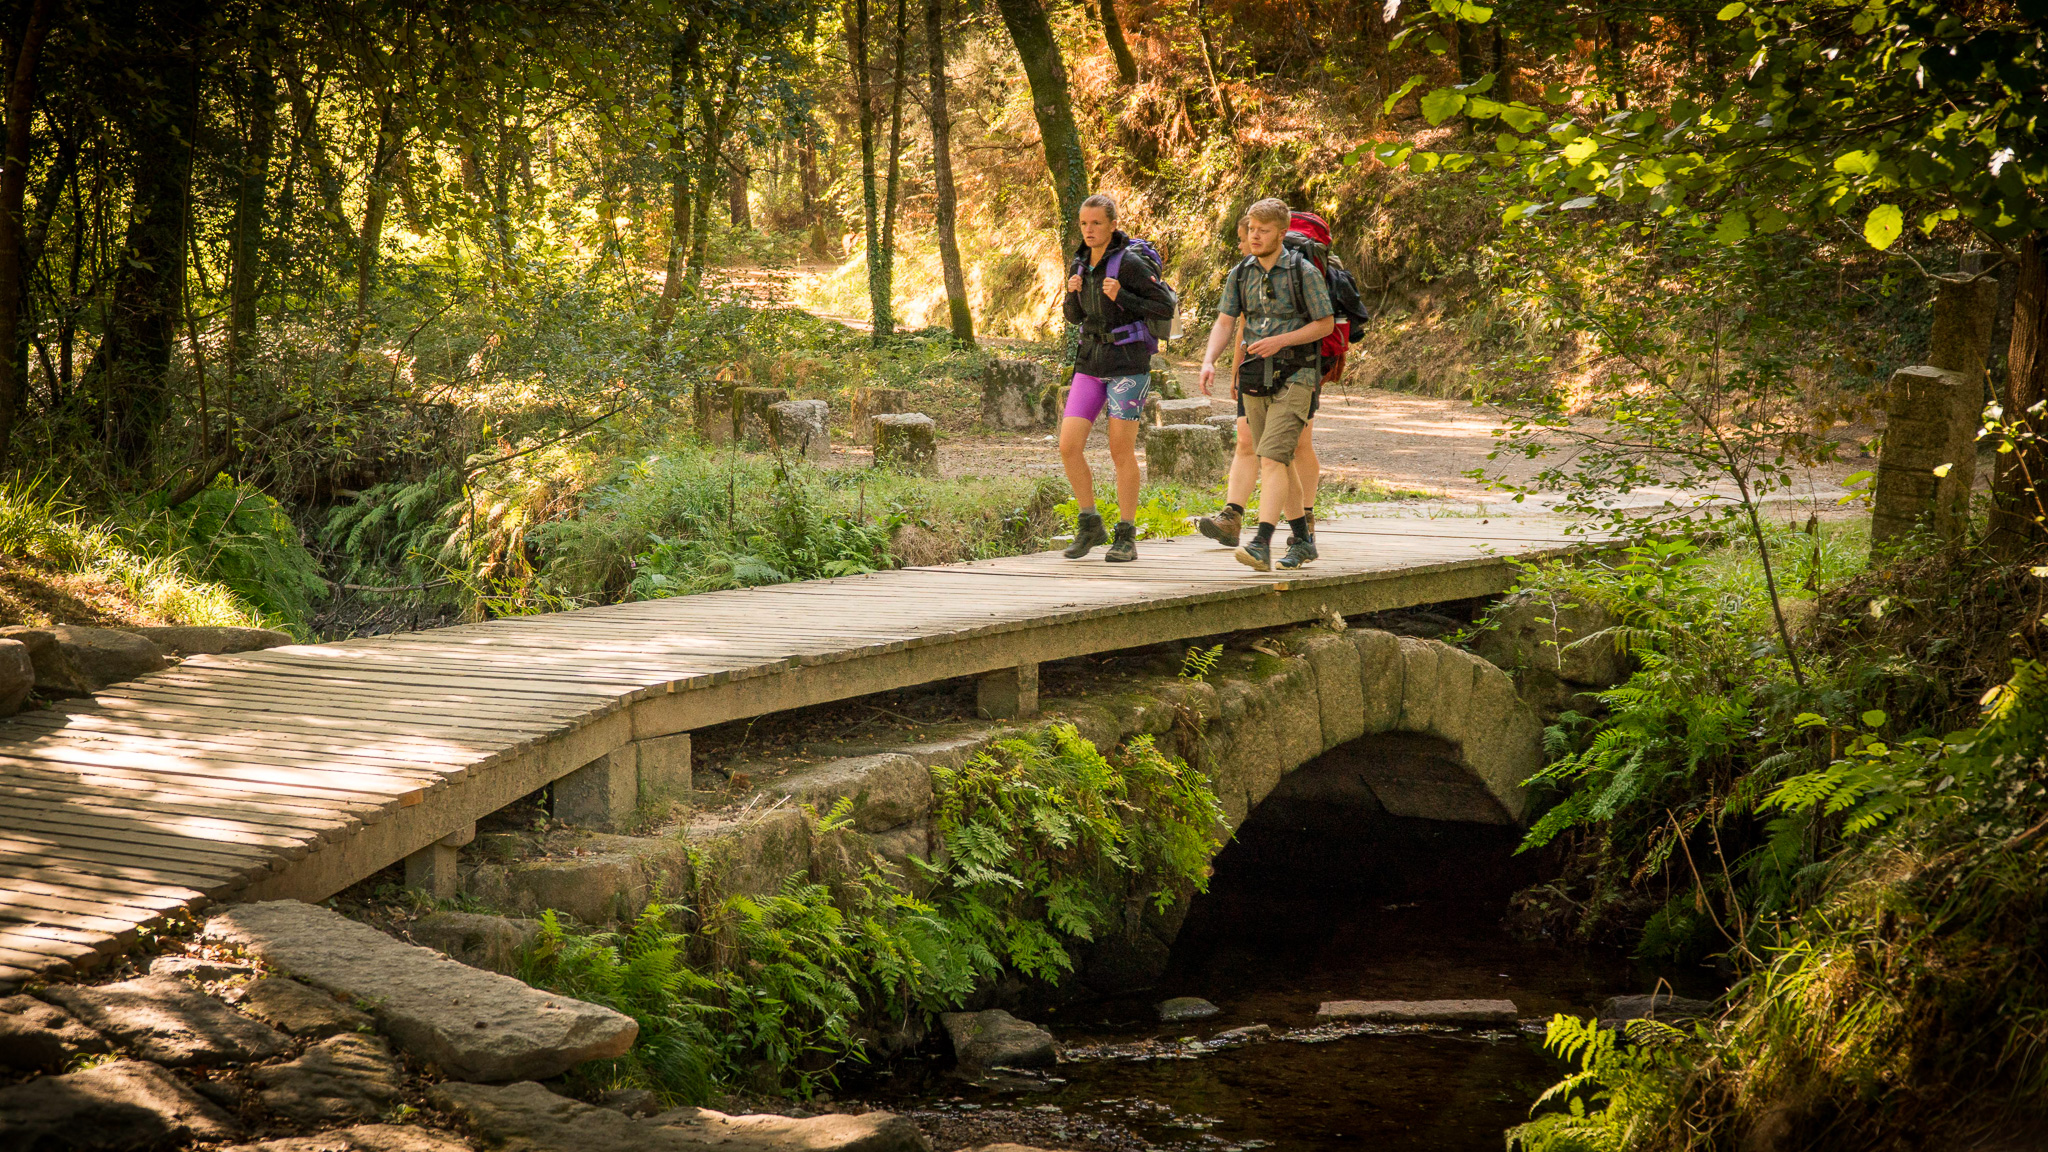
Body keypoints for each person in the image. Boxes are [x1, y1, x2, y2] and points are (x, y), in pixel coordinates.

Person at [1197, 198, 1333, 571]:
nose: (1255, 236)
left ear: (1282, 233)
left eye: (1264, 230)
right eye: (1252, 229)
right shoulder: (1240, 274)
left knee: (1273, 457)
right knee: (1277, 458)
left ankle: (1261, 542)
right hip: (1257, 376)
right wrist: (1210, 361)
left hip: (1297, 374)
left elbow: (1326, 324)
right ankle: (1303, 541)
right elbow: (1226, 321)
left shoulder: (1303, 272)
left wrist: (1281, 341)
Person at [1059, 193, 1173, 562]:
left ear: (1111, 225)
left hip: (1128, 365)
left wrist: (1123, 295)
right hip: (1090, 364)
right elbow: (1074, 318)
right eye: (1084, 224)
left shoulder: (1129, 263)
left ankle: (1126, 534)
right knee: (1068, 445)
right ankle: (1090, 523)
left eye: (1096, 223)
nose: (1089, 230)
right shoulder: (1080, 261)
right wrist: (1071, 295)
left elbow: (1164, 305)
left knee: (1120, 450)